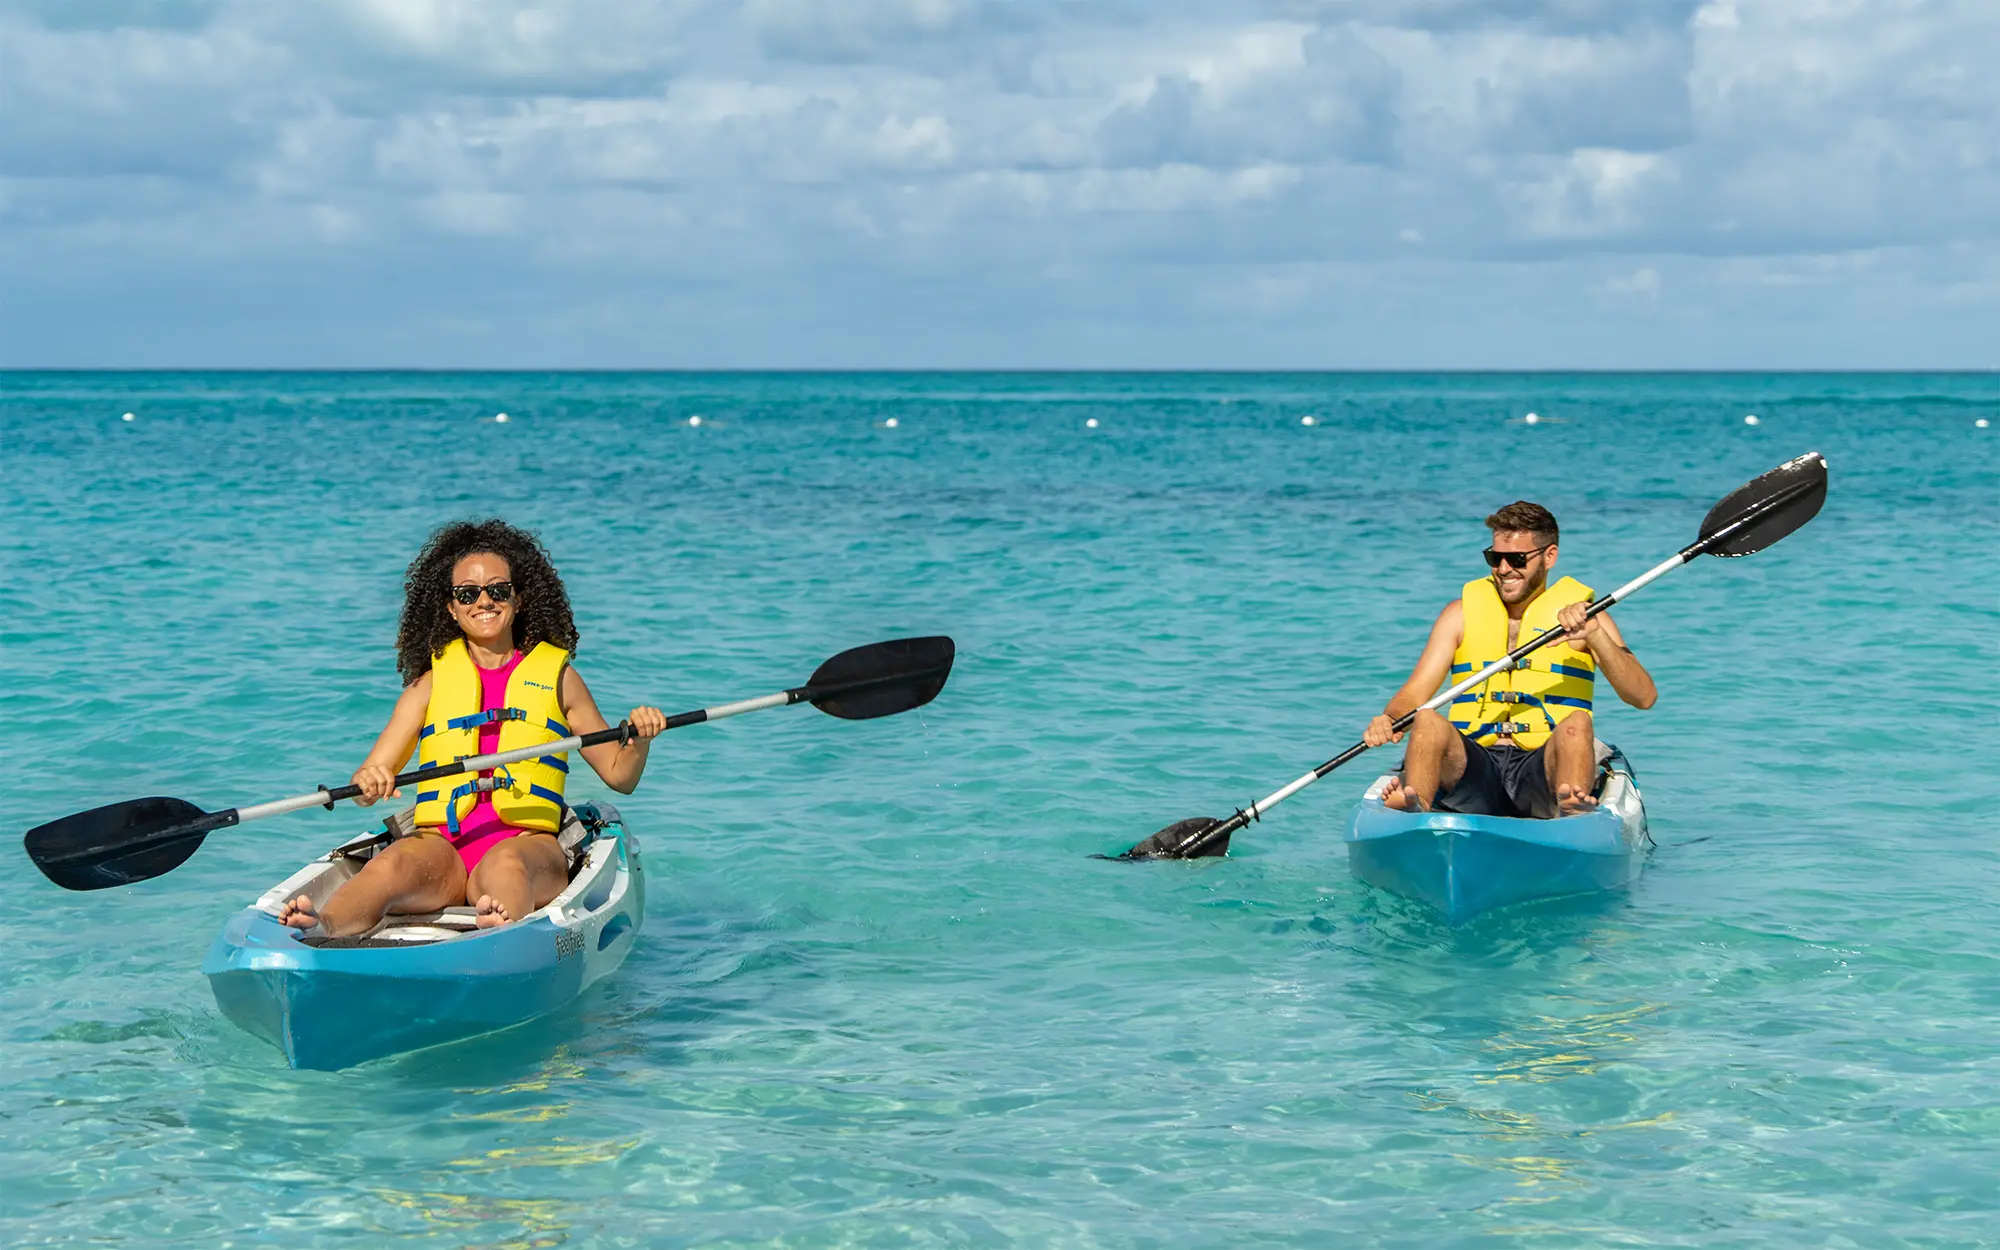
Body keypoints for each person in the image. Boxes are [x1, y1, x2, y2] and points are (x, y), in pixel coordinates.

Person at [279, 520, 667, 936]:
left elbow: (618, 775)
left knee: (506, 866)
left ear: (517, 598)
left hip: (529, 847)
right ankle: (324, 927)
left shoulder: (559, 678)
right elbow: (367, 781)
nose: (484, 601)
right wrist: (371, 780)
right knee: (391, 863)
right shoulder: (428, 686)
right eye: (468, 593)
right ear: (450, 606)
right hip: (442, 851)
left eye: (498, 590)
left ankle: (500, 934)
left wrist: (639, 740)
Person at [1363, 501, 1656, 818]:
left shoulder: (1586, 618)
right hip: (1475, 766)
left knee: (1577, 724)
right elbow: (1415, 693)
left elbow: (1642, 696)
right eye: (1495, 557)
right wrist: (1389, 719)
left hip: (1545, 769)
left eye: (1516, 559)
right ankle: (1414, 806)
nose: (1503, 569)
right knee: (1427, 720)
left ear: (1549, 556)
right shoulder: (1458, 616)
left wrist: (1596, 636)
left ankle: (1572, 810)